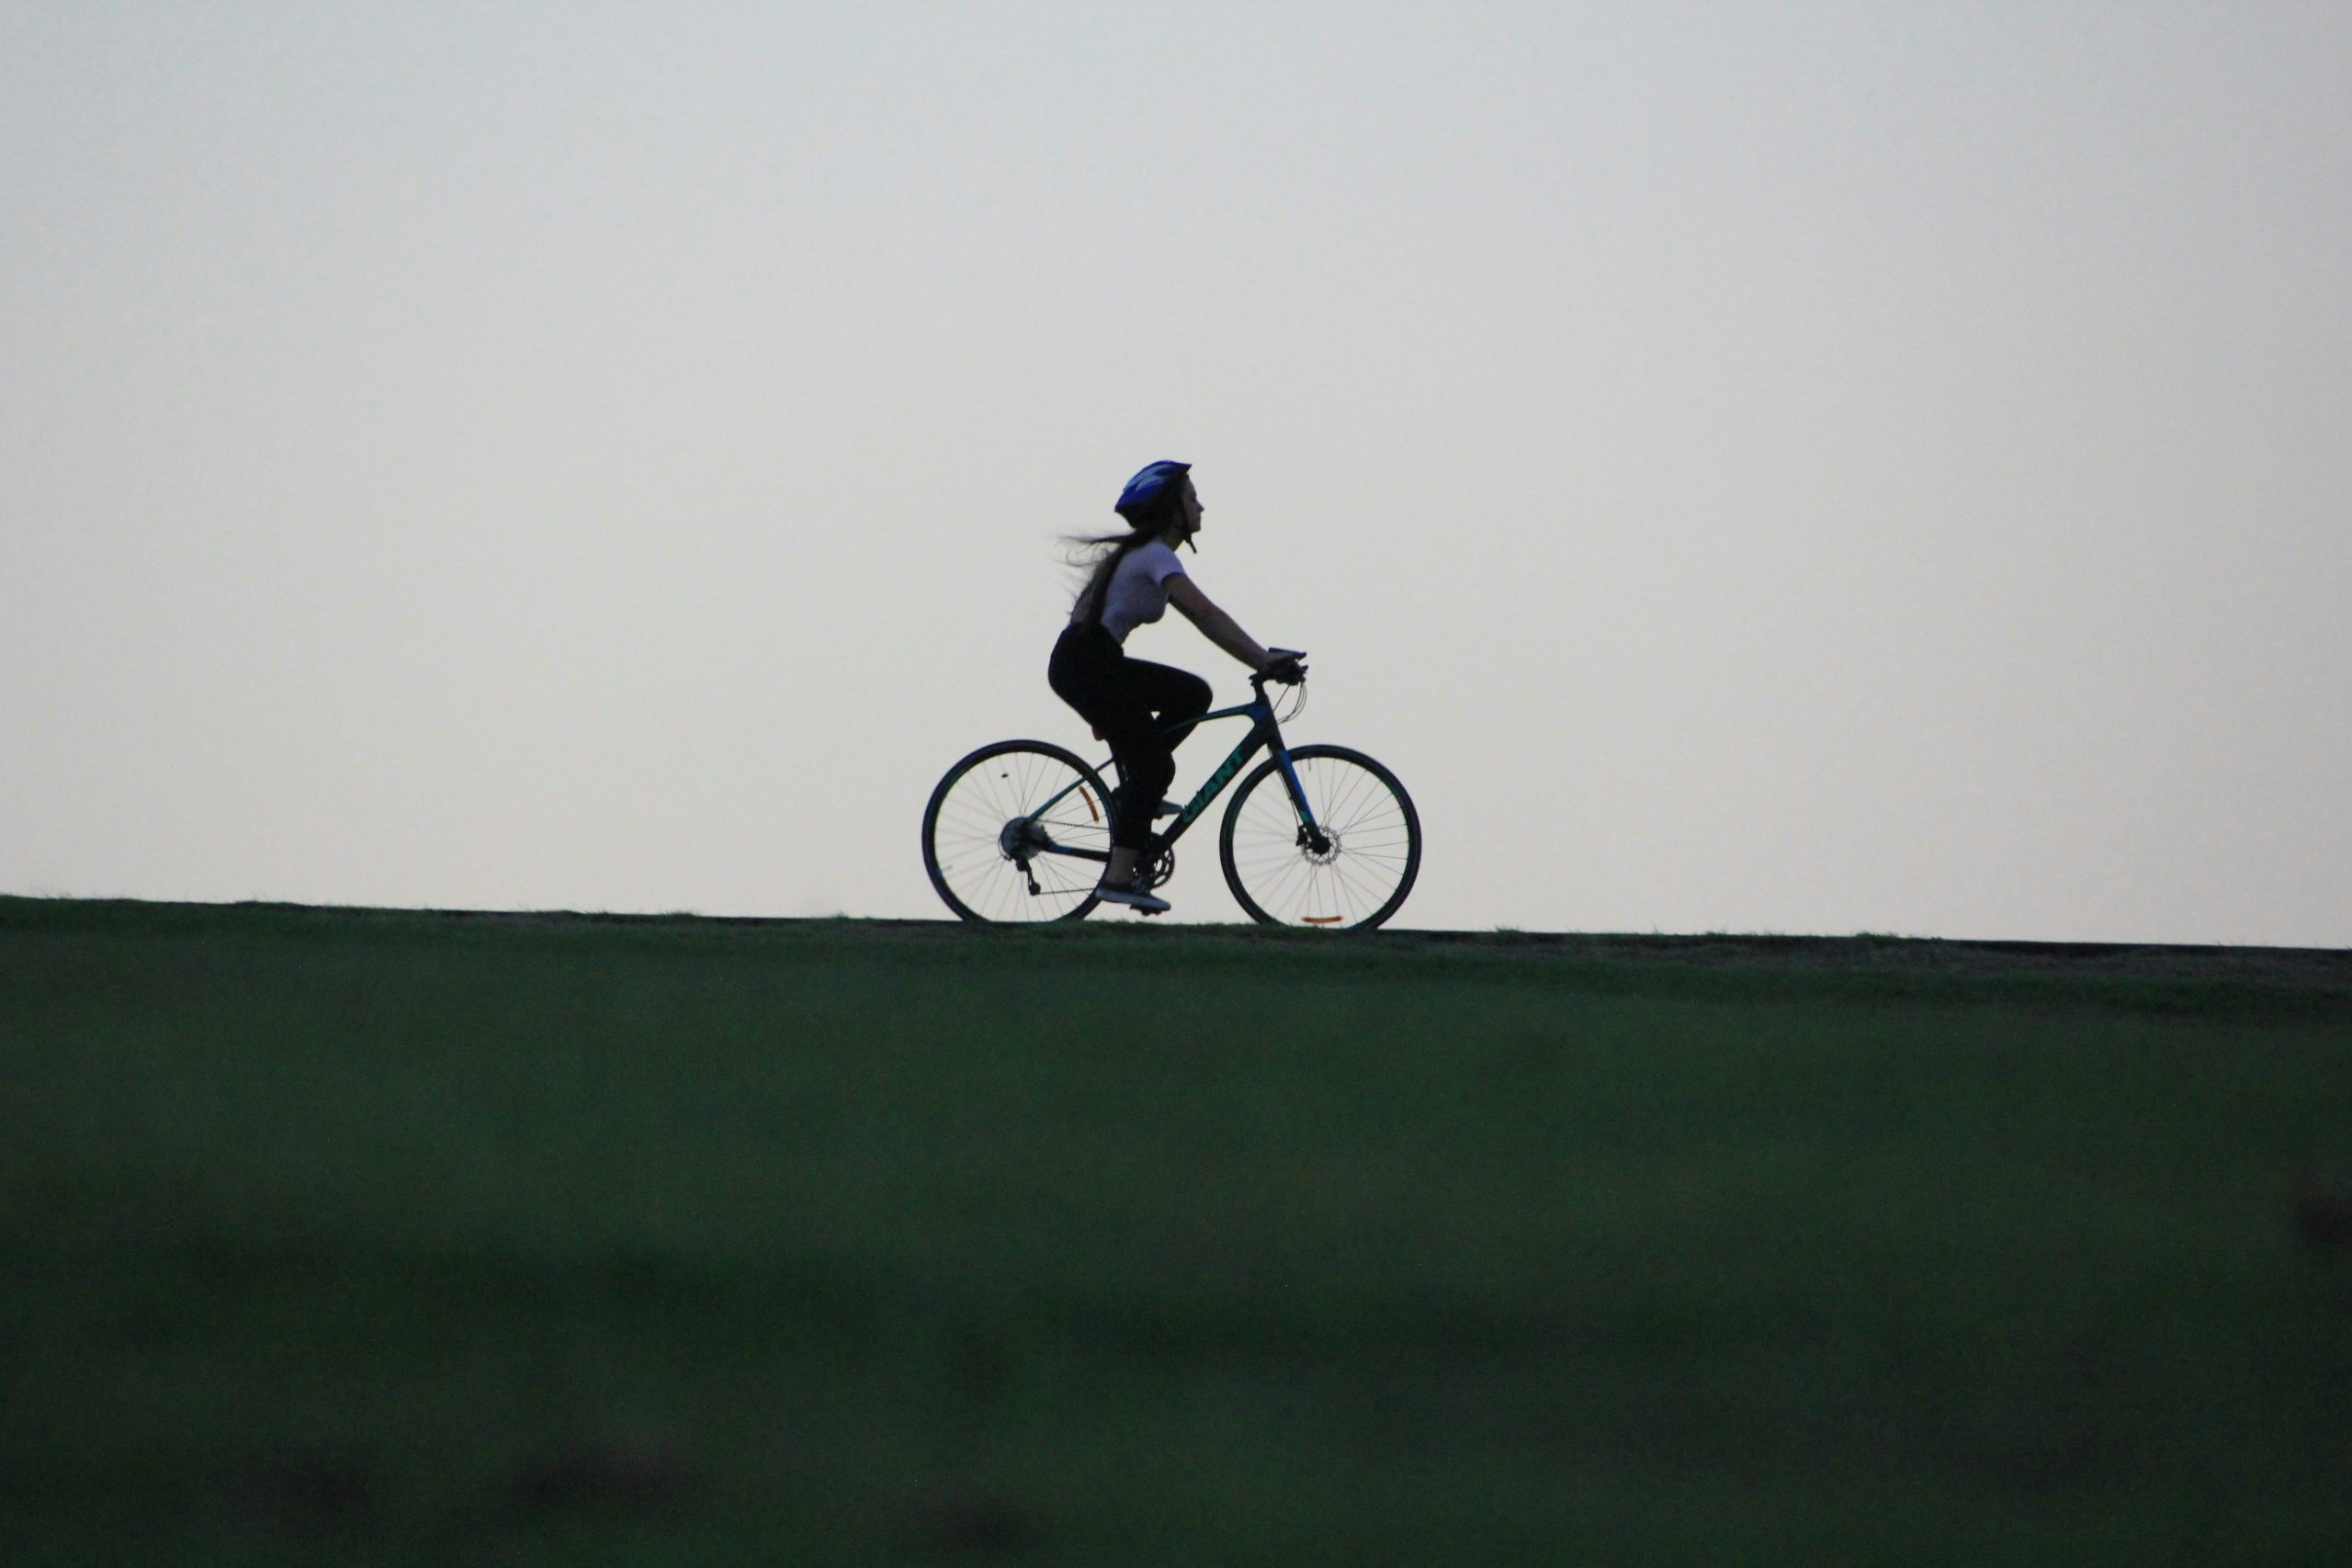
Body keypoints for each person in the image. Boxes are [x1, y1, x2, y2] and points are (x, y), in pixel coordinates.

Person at [1048, 460, 1302, 914]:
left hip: (1092, 662)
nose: (1200, 505)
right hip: (1087, 664)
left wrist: (1111, 713)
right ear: (1171, 511)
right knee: (1155, 769)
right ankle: (1118, 877)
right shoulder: (1155, 557)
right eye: (1191, 498)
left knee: (1191, 695)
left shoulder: (1142, 554)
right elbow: (1207, 615)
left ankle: (1132, 799)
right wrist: (1263, 659)